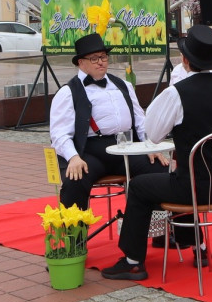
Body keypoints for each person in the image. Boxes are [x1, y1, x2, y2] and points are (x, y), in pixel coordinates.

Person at [101, 25, 212, 281]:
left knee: (141, 186)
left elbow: (153, 135)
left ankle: (133, 261)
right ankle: (197, 246)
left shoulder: (177, 93)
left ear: (186, 60)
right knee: (174, 179)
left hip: (193, 187)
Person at [49, 32, 166, 210]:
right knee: (75, 180)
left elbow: (140, 121)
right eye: (94, 58)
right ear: (81, 63)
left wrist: (150, 145)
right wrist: (73, 158)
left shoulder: (123, 85)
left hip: (125, 149)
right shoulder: (67, 92)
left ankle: (165, 235)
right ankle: (75, 237)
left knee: (160, 169)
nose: (101, 62)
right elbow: (59, 134)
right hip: (92, 152)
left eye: (103, 57)